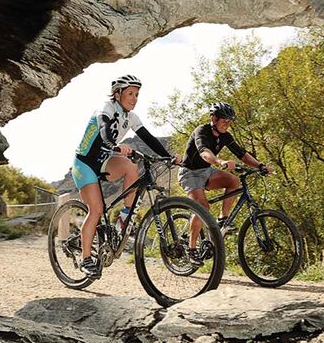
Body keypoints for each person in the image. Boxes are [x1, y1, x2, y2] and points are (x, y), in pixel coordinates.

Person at [71, 74, 179, 277]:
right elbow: (104, 129)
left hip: (104, 161)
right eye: (130, 93)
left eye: (137, 94)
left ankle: (124, 217)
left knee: (131, 167)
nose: (134, 98)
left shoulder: (131, 117)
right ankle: (86, 259)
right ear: (117, 93)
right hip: (84, 163)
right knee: (96, 209)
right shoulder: (106, 108)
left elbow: (149, 139)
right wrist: (114, 146)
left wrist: (169, 157)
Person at [178, 102, 271, 263]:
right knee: (203, 208)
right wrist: (220, 161)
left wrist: (260, 166)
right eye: (224, 121)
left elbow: (242, 154)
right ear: (214, 119)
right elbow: (204, 153)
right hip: (189, 173)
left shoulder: (225, 136)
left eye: (229, 121)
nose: (227, 124)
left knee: (233, 181)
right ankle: (191, 249)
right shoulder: (202, 131)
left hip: (206, 172)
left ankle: (223, 219)